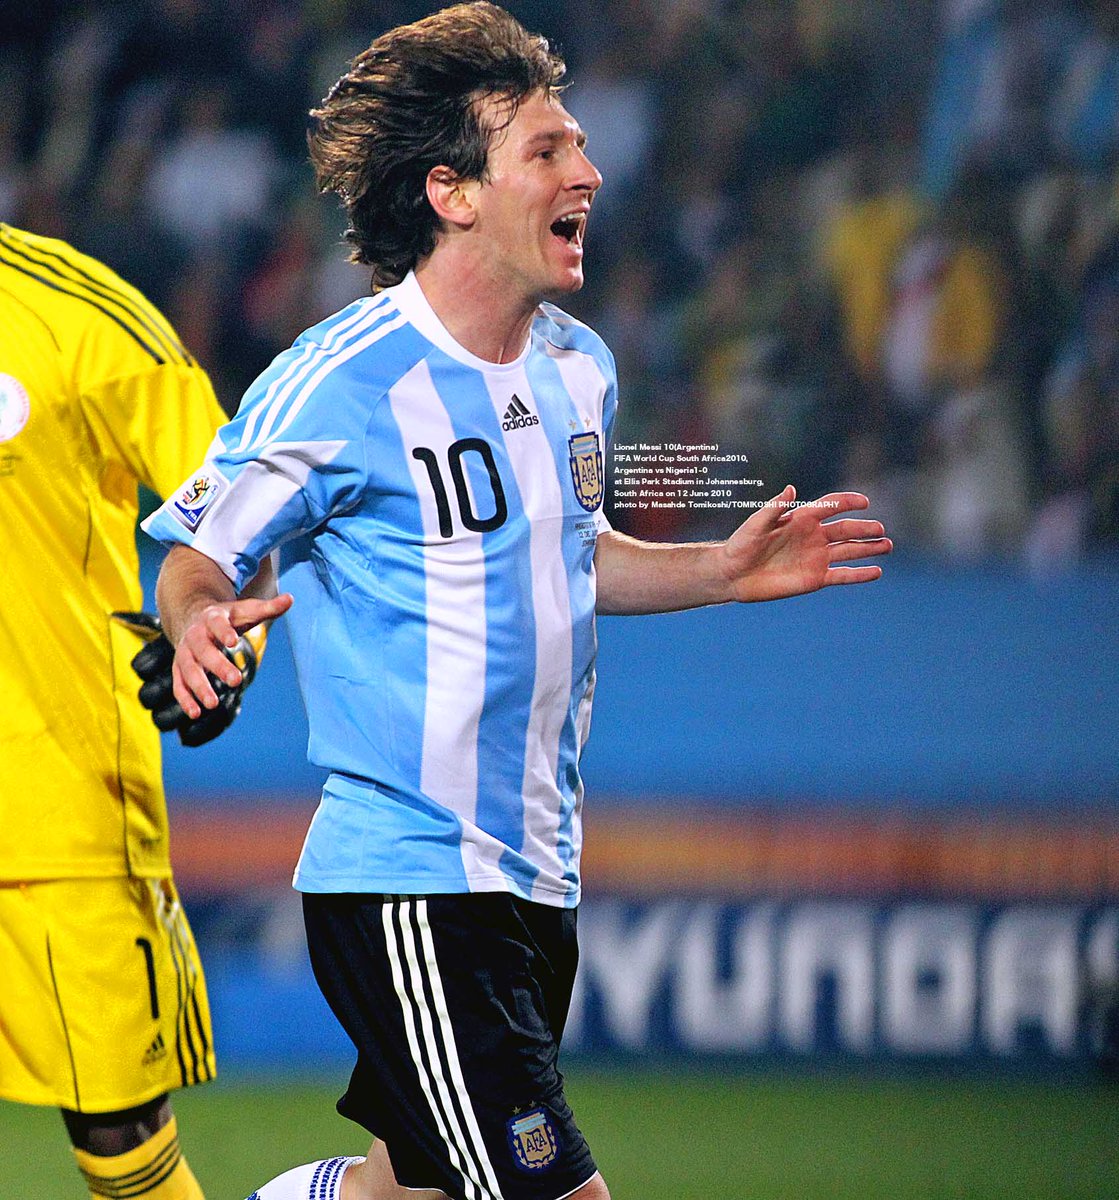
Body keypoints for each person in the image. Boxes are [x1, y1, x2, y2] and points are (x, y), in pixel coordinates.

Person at [142, 6, 892, 1200]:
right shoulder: (341, 379)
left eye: (580, 146)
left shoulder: (577, 367)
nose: (586, 172)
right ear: (453, 192)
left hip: (537, 874)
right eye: (545, 151)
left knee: (416, 1191)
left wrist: (720, 571)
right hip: (414, 877)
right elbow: (197, 547)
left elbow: (569, 558)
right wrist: (196, 622)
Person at [0, 223, 235, 1198]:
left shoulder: (78, 315)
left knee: (122, 1137)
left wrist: (215, 642)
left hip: (55, 797)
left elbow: (231, 503)